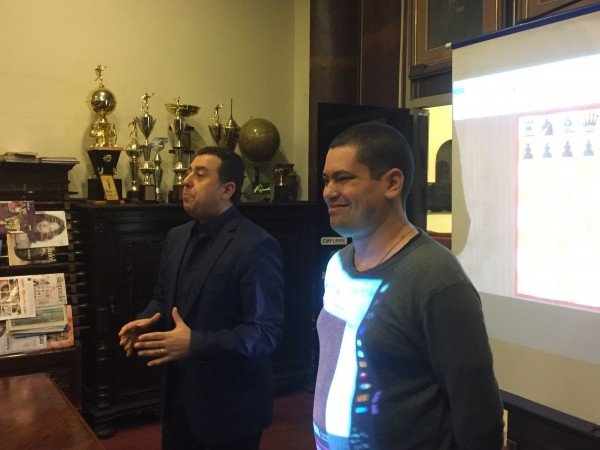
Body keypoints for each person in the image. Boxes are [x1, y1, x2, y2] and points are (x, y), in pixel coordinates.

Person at [313, 122, 503, 449]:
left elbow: (477, 410)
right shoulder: (338, 265)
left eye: (343, 178)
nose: (329, 191)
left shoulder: (436, 279)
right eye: (326, 180)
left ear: (392, 183)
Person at [118, 146, 284, 450]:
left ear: (227, 190)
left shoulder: (256, 245)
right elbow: (163, 298)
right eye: (188, 172)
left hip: (231, 410)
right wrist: (146, 321)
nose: (186, 180)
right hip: (178, 400)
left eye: (200, 174)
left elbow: (265, 333)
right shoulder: (177, 236)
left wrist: (196, 343)